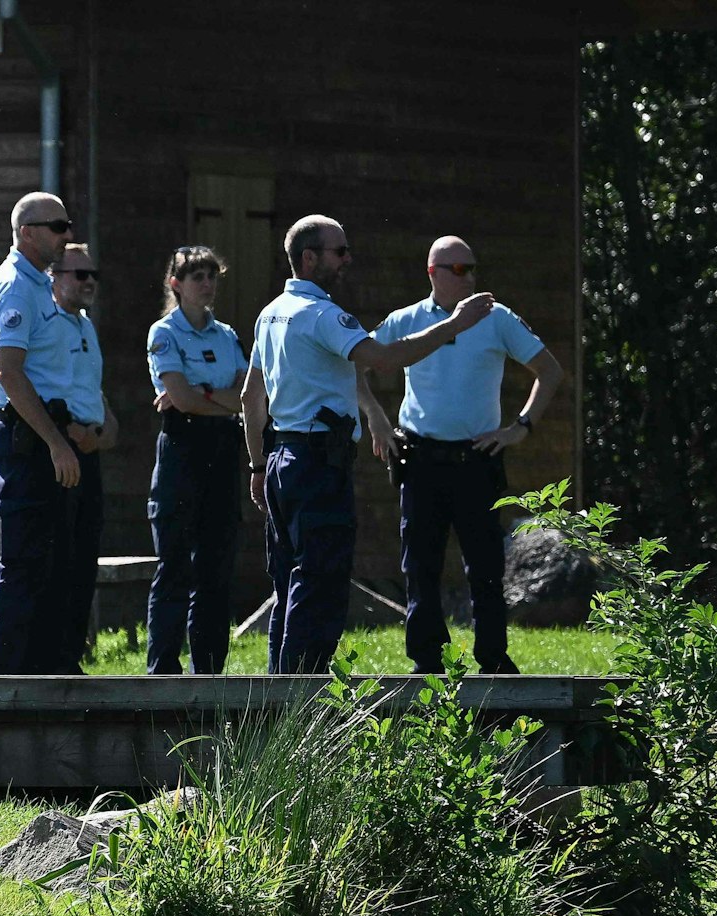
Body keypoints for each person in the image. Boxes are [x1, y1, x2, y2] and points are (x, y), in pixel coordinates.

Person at [241, 214, 496, 673]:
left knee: (288, 582)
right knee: (319, 582)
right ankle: (303, 698)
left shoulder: (270, 313)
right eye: (339, 251)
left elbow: (250, 396)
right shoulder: (322, 315)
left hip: (281, 459)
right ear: (309, 258)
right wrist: (455, 325)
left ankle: (277, 697)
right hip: (318, 462)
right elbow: (385, 358)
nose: (348, 259)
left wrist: (259, 467)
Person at [370, 236, 566, 675]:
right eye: (459, 269)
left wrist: (521, 427)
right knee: (420, 564)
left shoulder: (497, 319)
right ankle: (427, 660)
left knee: (486, 566)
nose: (470, 277)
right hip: (420, 458)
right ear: (433, 272)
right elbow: (354, 363)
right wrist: (377, 420)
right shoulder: (407, 320)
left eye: (473, 268)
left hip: (477, 458)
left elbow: (550, 371)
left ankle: (493, 658)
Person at [0, 191, 80, 675]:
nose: (66, 234)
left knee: (48, 557)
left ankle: (42, 670)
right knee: (22, 559)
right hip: (27, 436)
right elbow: (11, 373)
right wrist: (55, 442)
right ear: (27, 232)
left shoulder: (37, 283)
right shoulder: (16, 288)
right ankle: (3, 680)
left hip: (39, 431)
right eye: (57, 226)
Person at [143, 246, 247, 674]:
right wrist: (210, 399)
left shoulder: (226, 336)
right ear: (176, 284)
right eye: (196, 277)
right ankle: (163, 668)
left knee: (215, 567)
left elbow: (247, 392)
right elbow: (180, 399)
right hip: (183, 451)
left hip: (223, 452)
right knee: (174, 564)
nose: (206, 284)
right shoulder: (165, 333)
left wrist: (201, 396)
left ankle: (209, 670)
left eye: (211, 276)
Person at [48, 242, 118, 673]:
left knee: (84, 556)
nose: (89, 281)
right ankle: (52, 658)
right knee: (59, 555)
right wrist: (70, 433)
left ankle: (70, 657)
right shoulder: (49, 325)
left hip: (90, 450)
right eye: (80, 274)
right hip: (61, 450)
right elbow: (47, 389)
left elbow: (92, 390)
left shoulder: (86, 327)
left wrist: (107, 426)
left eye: (93, 274)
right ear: (55, 279)